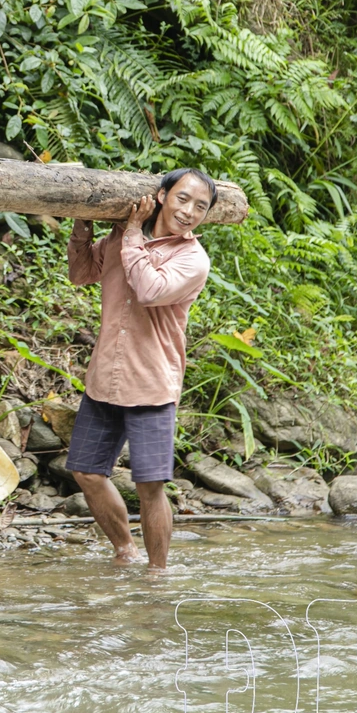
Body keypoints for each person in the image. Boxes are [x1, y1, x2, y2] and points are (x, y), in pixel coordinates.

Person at [65, 168, 215, 569]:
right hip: (105, 378)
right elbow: (81, 273)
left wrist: (131, 232)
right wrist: (83, 221)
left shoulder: (193, 259)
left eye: (200, 207)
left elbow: (149, 289)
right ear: (162, 196)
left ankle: (157, 573)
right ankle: (124, 549)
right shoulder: (121, 237)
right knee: (86, 472)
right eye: (183, 198)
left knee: (150, 487)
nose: (189, 211)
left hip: (151, 383)